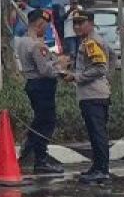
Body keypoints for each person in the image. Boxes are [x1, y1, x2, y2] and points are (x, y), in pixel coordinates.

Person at [15, 9, 66, 175]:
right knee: (47, 122)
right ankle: (40, 159)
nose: (47, 29)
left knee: (40, 119)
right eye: (46, 26)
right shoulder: (37, 45)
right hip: (42, 85)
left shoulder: (21, 41)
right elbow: (45, 70)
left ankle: (30, 149)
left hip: (32, 83)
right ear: (39, 24)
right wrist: (60, 65)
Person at [64, 9, 113, 184]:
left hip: (94, 95)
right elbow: (111, 59)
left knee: (98, 133)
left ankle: (102, 170)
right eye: (75, 23)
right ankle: (97, 166)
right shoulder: (87, 41)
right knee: (94, 133)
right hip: (92, 94)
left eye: (81, 23)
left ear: (90, 23)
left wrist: (76, 77)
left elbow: (100, 67)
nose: (77, 26)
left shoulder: (91, 42)